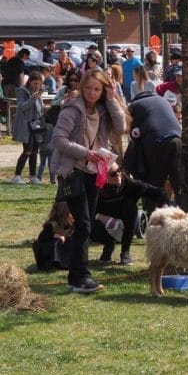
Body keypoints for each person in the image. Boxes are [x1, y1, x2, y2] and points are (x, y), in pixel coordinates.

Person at [51, 68, 126, 293]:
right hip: (72, 171)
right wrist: (85, 152)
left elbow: (121, 127)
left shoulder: (102, 109)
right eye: (88, 88)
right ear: (82, 87)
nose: (92, 93)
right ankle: (79, 276)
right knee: (83, 223)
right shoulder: (72, 109)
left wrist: (112, 99)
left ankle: (77, 274)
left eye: (97, 89)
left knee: (86, 223)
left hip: (93, 171)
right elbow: (58, 139)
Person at [91, 163, 168, 265]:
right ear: (104, 176)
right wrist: (101, 217)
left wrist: (164, 207)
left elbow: (157, 192)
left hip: (126, 221)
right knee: (88, 226)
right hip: (105, 221)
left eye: (119, 170)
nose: (118, 175)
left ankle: (125, 252)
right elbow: (88, 209)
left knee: (130, 207)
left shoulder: (130, 184)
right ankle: (108, 245)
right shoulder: (96, 189)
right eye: (113, 174)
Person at [124, 82, 182, 204]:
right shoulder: (163, 101)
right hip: (178, 139)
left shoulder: (133, 106)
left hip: (157, 142)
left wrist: (127, 166)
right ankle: (184, 208)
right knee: (178, 182)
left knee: (154, 182)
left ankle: (153, 210)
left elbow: (134, 136)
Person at [10, 70, 46, 185]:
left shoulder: (38, 93)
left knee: (35, 151)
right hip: (26, 126)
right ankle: (17, 175)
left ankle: (33, 176)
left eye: (39, 84)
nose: (37, 86)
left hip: (36, 126)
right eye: (35, 83)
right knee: (27, 150)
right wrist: (33, 98)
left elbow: (40, 110)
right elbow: (22, 106)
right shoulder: (22, 91)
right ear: (30, 82)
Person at [32, 200, 74, 271]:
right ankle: (53, 264)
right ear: (64, 213)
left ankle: (66, 263)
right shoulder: (51, 225)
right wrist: (53, 236)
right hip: (48, 253)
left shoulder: (72, 225)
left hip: (64, 252)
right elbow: (40, 241)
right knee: (56, 242)